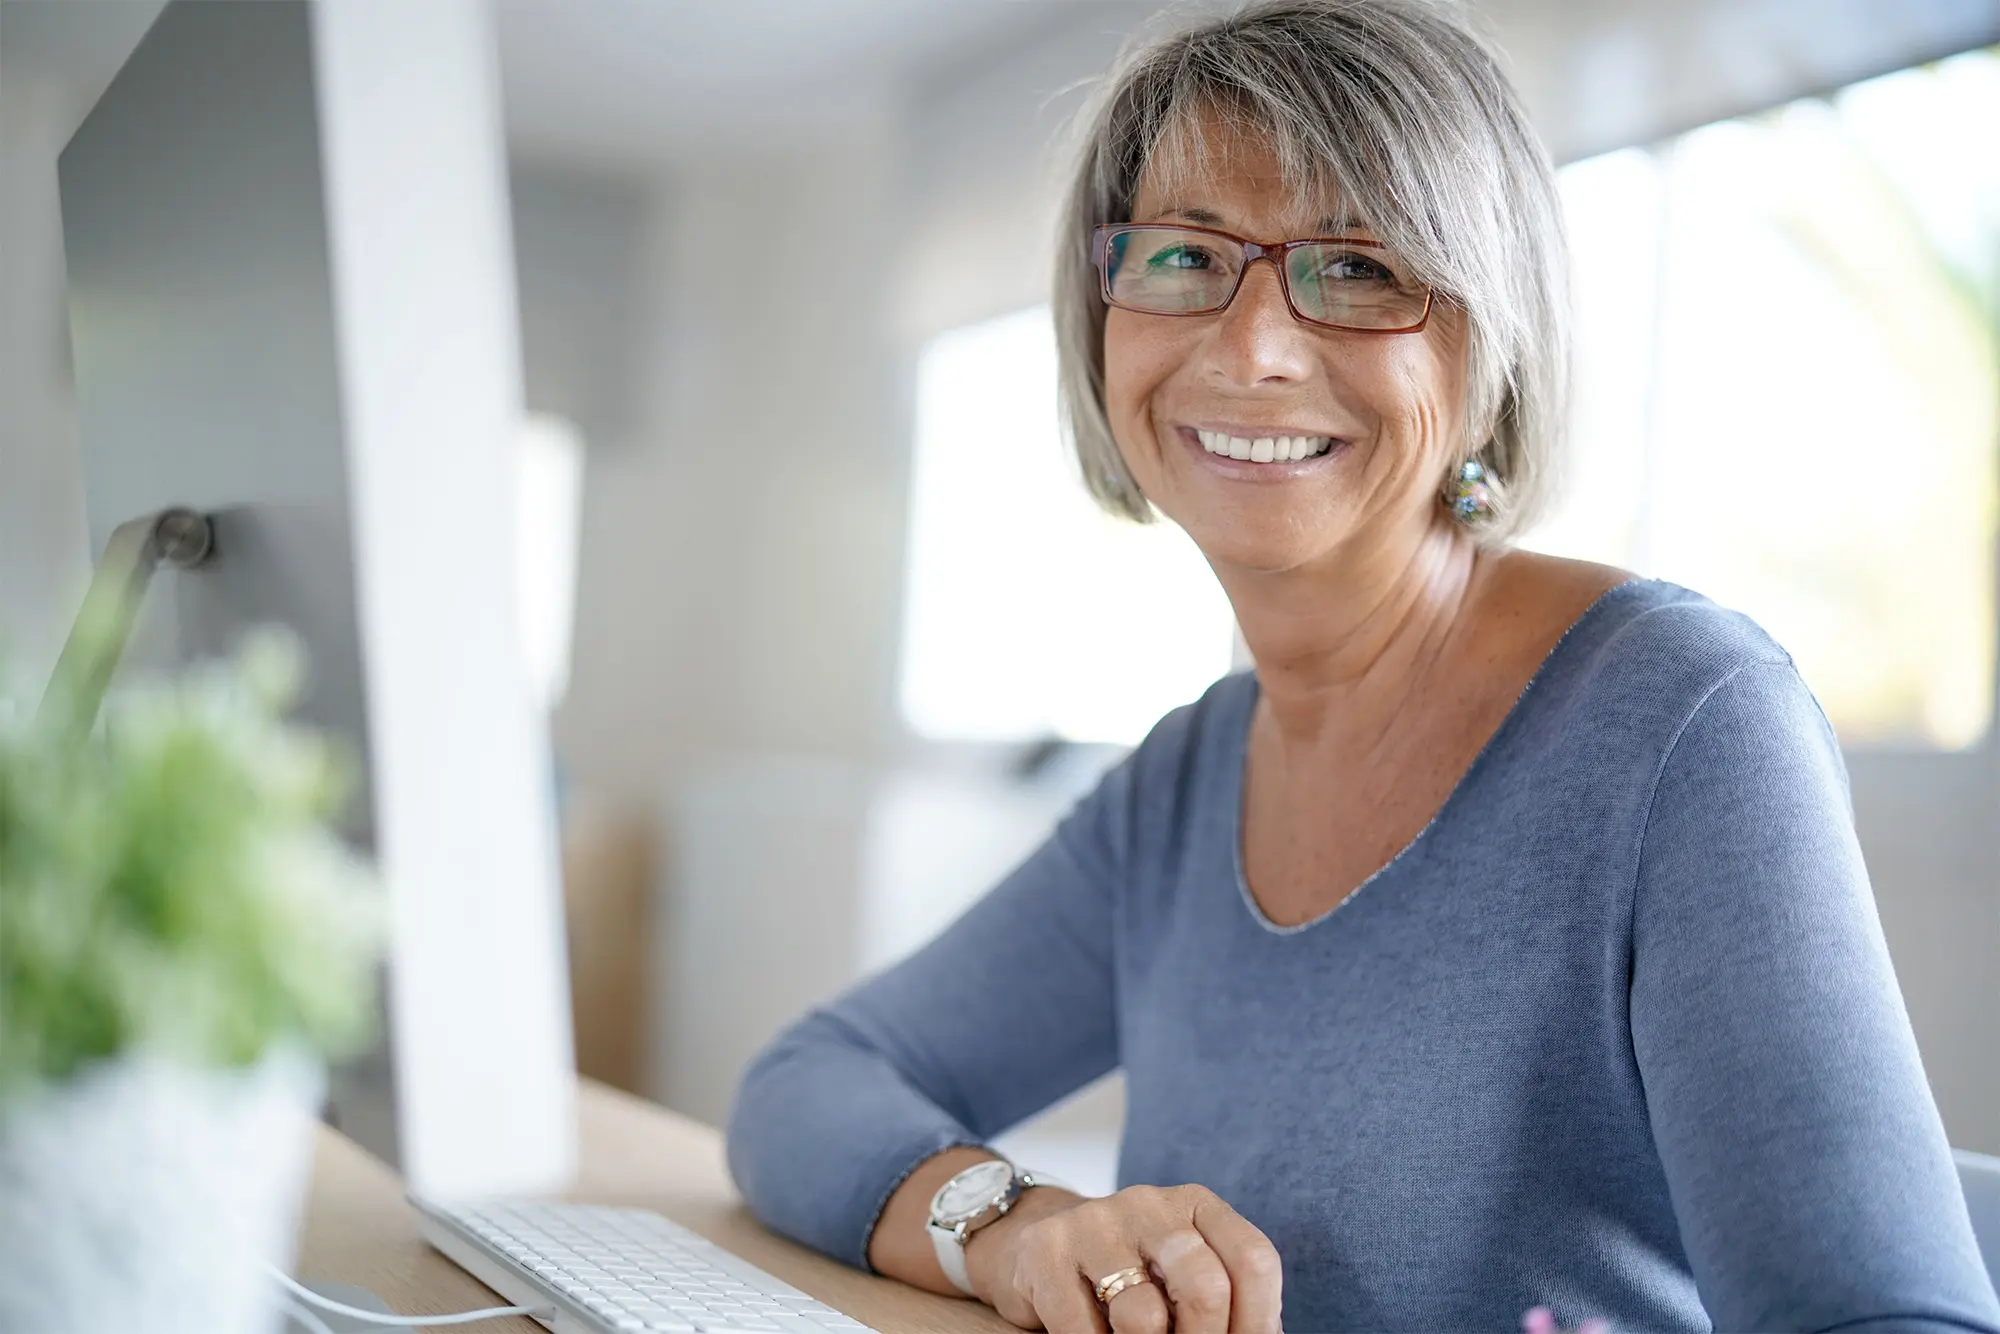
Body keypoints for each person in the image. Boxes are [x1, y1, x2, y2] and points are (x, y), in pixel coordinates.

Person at [725, 2, 2000, 1330]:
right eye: (1181, 253)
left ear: (1491, 342)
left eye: (1361, 266)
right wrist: (1012, 1221)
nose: (1253, 347)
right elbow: (809, 1082)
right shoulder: (1184, 781)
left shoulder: (1684, 722)